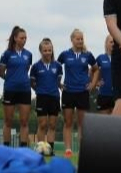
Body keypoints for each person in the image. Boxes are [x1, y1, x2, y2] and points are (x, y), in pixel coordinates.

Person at [57, 29, 96, 157]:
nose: (80, 41)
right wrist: (59, 84)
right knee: (68, 122)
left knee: (81, 123)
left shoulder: (88, 55)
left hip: (82, 92)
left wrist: (92, 84)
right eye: (77, 39)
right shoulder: (64, 55)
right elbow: (56, 68)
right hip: (68, 92)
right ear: (72, 40)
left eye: (81, 39)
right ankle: (68, 149)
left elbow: (96, 70)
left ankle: (81, 151)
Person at [0, 26, 33, 146]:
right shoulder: (7, 54)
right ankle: (6, 147)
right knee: (8, 121)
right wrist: (11, 80)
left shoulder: (29, 54)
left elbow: (26, 69)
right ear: (15, 38)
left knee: (24, 121)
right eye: (22, 38)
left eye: (25, 38)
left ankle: (23, 148)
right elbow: (1, 72)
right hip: (10, 90)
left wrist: (21, 79)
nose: (24, 40)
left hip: (25, 90)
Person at [31, 38, 63, 154]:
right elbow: (32, 83)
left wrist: (61, 87)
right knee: (43, 124)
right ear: (41, 51)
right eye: (45, 50)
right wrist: (39, 90)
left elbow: (58, 82)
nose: (47, 53)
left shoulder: (58, 66)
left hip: (54, 97)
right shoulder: (35, 67)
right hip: (42, 97)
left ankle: (50, 150)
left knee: (53, 125)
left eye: (49, 50)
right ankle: (40, 149)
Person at [93, 35, 115, 115]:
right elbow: (91, 71)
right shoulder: (100, 58)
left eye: (115, 42)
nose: (113, 44)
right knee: (104, 124)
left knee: (117, 124)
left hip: (117, 95)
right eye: (111, 42)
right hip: (103, 95)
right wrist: (96, 83)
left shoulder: (120, 58)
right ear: (106, 44)